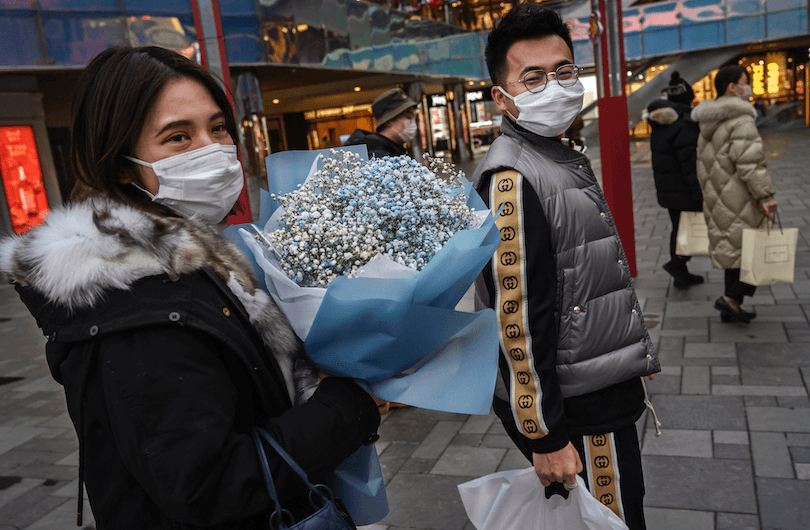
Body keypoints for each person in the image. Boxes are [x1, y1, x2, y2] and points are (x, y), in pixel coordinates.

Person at [0, 46, 389, 529]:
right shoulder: (135, 309)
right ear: (121, 165)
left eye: (218, 127)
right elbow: (213, 485)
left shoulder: (192, 260)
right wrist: (350, 407)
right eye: (178, 137)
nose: (213, 150)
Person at [470, 5, 660, 529]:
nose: (554, 85)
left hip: (599, 391)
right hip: (579, 413)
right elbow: (517, 320)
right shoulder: (511, 175)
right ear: (501, 95)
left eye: (564, 71)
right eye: (532, 76)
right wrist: (544, 436)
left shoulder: (555, 153)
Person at [691, 64, 777, 323]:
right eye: (745, 81)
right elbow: (750, 163)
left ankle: (733, 304)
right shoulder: (740, 119)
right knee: (751, 250)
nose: (748, 86)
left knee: (734, 250)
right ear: (732, 87)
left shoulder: (708, 120)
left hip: (719, 197)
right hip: (740, 196)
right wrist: (766, 196)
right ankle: (730, 299)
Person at [646, 71, 704, 288]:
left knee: (679, 227)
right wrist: (698, 193)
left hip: (669, 189)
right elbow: (689, 164)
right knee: (685, 228)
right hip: (683, 189)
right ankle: (677, 264)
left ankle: (681, 272)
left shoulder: (662, 121)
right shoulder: (683, 124)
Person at [345, 88, 418, 157]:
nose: (413, 121)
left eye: (413, 116)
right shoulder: (376, 153)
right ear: (389, 121)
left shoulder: (392, 148)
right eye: (408, 116)